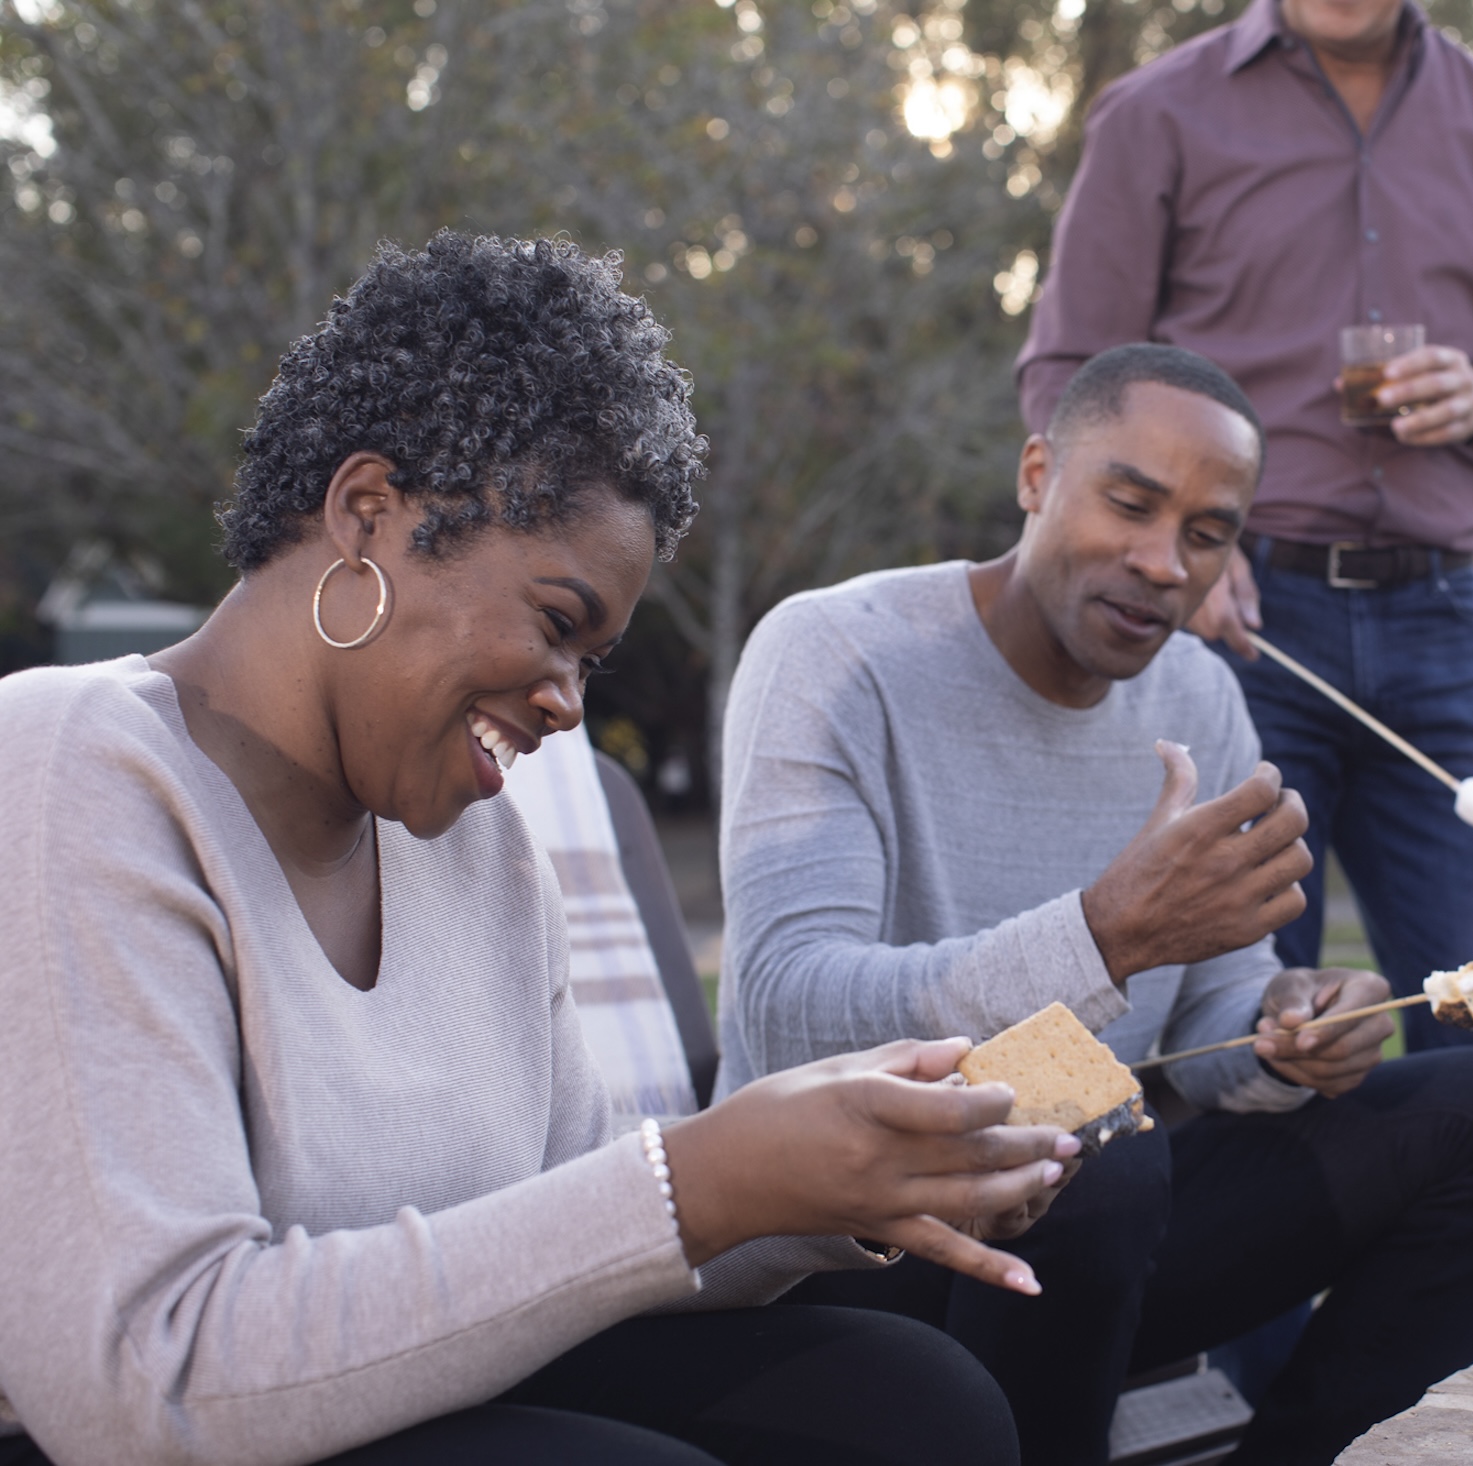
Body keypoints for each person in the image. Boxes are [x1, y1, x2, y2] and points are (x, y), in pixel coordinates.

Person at [0, 234, 1077, 1466]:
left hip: (406, 1403)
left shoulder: (479, 851)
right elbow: (148, 1381)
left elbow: (581, 1234)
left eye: (593, 659)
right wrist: (692, 1178)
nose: (568, 699)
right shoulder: (71, 767)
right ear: (368, 514)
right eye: (559, 624)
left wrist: (835, 1180)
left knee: (908, 1400)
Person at [714, 344, 1473, 1466]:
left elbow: (1209, 1021)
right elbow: (789, 1010)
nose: (1162, 561)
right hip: (854, 1246)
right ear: (1037, 474)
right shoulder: (837, 651)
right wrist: (1103, 935)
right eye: (1128, 502)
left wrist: (1291, 1020)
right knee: (1091, 1121)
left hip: (1094, 1223)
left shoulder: (1200, 695)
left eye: (1207, 532)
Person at [1015, 0, 1473, 1065]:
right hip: (1237, 629)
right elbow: (1067, 377)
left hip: (1441, 621)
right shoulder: (1155, 114)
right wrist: (1184, 548)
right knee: (1249, 1036)